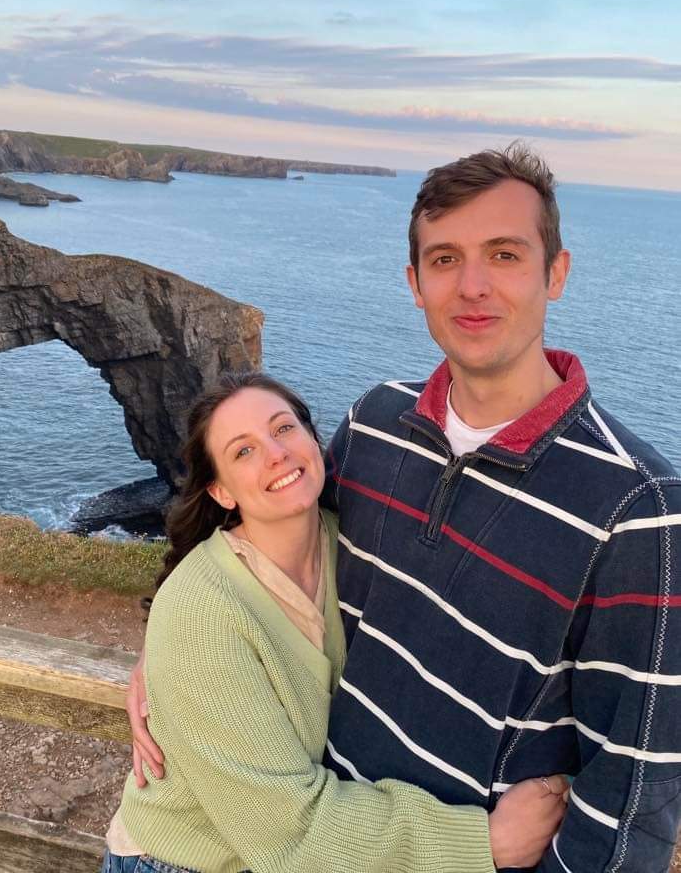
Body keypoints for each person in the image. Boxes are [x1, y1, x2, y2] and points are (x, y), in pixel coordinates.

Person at [129, 144, 681, 872]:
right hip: (331, 838)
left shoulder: (638, 507)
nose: (473, 286)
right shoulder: (374, 425)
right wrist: (166, 662)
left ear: (557, 273)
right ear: (415, 283)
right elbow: (264, 543)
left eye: (506, 255)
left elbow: (630, 800)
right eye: (445, 259)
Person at [108, 372, 568, 873]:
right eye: (243, 451)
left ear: (313, 439)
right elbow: (292, 828)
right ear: (220, 491)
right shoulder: (203, 612)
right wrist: (484, 843)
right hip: (184, 862)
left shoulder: (357, 543)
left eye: (283, 429)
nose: (276, 454)